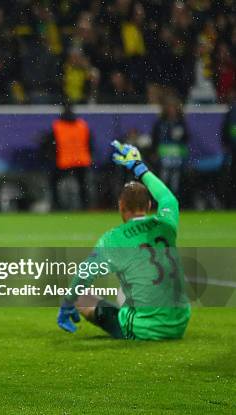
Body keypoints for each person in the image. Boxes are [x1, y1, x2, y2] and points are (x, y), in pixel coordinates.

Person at [57, 141, 190, 340]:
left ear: (120, 206)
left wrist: (67, 303)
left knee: (83, 299)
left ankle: (136, 322)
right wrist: (140, 168)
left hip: (145, 330)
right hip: (180, 324)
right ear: (149, 204)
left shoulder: (114, 238)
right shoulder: (166, 223)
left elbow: (84, 275)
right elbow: (168, 198)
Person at [47, 103, 92, 210]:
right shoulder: (82, 125)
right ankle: (85, 206)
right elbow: (90, 143)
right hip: (81, 160)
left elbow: (51, 145)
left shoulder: (57, 126)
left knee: (54, 183)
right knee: (83, 185)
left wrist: (51, 158)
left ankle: (56, 205)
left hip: (64, 161)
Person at [150, 95, 189, 199]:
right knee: (164, 177)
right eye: (169, 108)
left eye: (173, 107)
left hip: (177, 155)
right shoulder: (160, 123)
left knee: (176, 179)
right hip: (163, 155)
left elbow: (186, 139)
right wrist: (154, 152)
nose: (171, 110)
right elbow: (155, 139)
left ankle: (175, 198)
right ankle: (162, 199)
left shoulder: (181, 123)